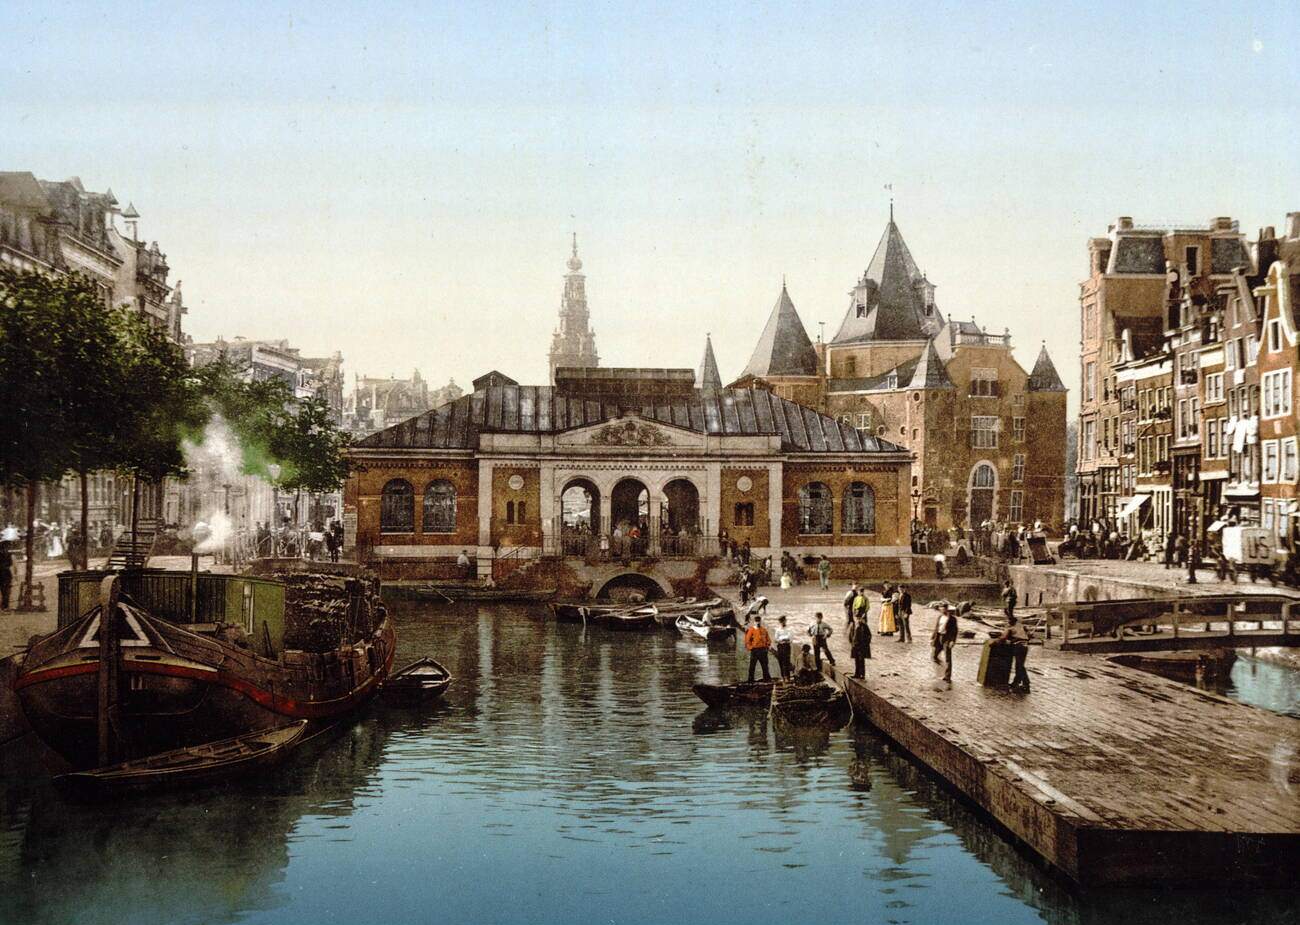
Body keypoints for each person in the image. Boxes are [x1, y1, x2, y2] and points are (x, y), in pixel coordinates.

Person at [997, 613, 1031, 692]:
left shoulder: (1010, 628)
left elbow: (1003, 638)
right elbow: (1028, 635)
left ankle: (1026, 683)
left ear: (1010, 622)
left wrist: (997, 640)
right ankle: (1016, 682)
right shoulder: (1020, 626)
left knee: (1019, 666)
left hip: (1018, 646)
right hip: (1025, 646)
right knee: (1019, 665)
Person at [934, 605, 959, 682]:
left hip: (947, 639)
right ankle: (943, 669)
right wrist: (933, 638)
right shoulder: (939, 617)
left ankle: (947, 677)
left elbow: (955, 631)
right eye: (940, 608)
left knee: (948, 658)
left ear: (946, 609)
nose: (941, 610)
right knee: (934, 656)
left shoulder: (952, 619)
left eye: (943, 608)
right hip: (939, 638)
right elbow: (936, 628)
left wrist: (952, 641)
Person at [744, 614, 773, 682]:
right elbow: (747, 640)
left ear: (760, 621)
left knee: (765, 666)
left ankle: (767, 680)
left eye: (759, 621)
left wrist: (768, 645)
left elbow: (768, 639)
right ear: (754, 622)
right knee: (752, 666)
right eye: (756, 621)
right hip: (755, 650)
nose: (758, 622)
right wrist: (751, 648)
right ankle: (750, 680)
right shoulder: (751, 630)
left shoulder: (764, 630)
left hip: (763, 650)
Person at [848, 612, 872, 679]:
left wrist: (866, 643)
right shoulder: (853, 625)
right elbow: (850, 635)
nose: (858, 620)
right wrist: (851, 642)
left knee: (861, 660)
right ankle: (857, 673)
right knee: (856, 660)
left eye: (859, 618)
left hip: (862, 646)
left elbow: (869, 635)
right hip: (855, 645)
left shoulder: (864, 626)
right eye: (857, 618)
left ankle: (862, 674)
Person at [0, 541, 12, 610]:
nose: (7, 549)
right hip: (3, 574)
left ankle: (5, 606)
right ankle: (4, 606)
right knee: (5, 591)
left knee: (6, 592)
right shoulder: (7, 555)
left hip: (6, 575)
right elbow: (9, 564)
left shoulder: (9, 555)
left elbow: (10, 563)